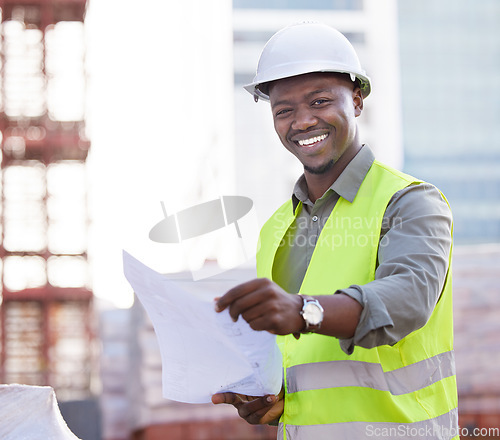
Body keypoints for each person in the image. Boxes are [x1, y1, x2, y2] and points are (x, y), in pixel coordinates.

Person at [212, 22, 458, 440]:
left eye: (320, 101)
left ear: (357, 101)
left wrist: (303, 310)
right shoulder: (275, 230)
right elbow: (295, 357)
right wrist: (267, 397)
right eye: (284, 110)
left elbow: (408, 298)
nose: (303, 121)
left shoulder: (411, 201)